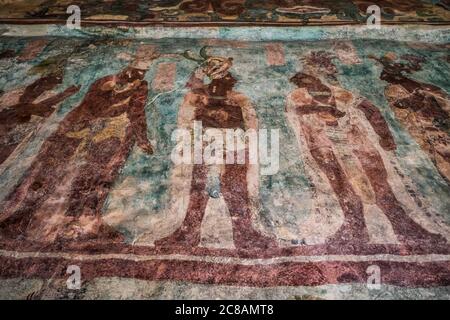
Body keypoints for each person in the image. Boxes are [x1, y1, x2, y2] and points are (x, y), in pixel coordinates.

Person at [286, 50, 446, 246]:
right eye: (300, 80)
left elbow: (369, 108)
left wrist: (384, 134)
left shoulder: (340, 92)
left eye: (305, 77)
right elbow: (296, 110)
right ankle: (354, 226)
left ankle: (402, 224)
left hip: (356, 139)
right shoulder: (297, 96)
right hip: (322, 144)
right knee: (339, 185)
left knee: (379, 179)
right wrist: (323, 109)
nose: (302, 81)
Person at [0, 44, 157, 243]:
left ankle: (82, 221)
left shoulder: (140, 86)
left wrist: (141, 138)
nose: (137, 77)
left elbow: (136, 111)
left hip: (110, 136)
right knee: (48, 172)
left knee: (97, 177)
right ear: (125, 70)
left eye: (142, 73)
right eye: (134, 72)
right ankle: (21, 216)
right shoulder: (105, 81)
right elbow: (94, 105)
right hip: (76, 132)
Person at [155, 48, 276, 250]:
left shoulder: (238, 98)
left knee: (236, 186)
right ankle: (188, 232)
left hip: (236, 144)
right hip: (205, 143)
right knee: (199, 186)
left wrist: (246, 142)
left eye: (227, 77)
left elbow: (251, 123)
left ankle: (245, 232)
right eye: (222, 77)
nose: (227, 80)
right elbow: (186, 120)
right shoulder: (197, 97)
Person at [370, 53, 450, 184]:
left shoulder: (419, 84)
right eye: (388, 75)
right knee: (441, 154)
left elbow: (441, 96)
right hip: (426, 127)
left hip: (440, 121)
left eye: (394, 72)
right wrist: (411, 105)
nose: (391, 77)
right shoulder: (392, 90)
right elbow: (400, 111)